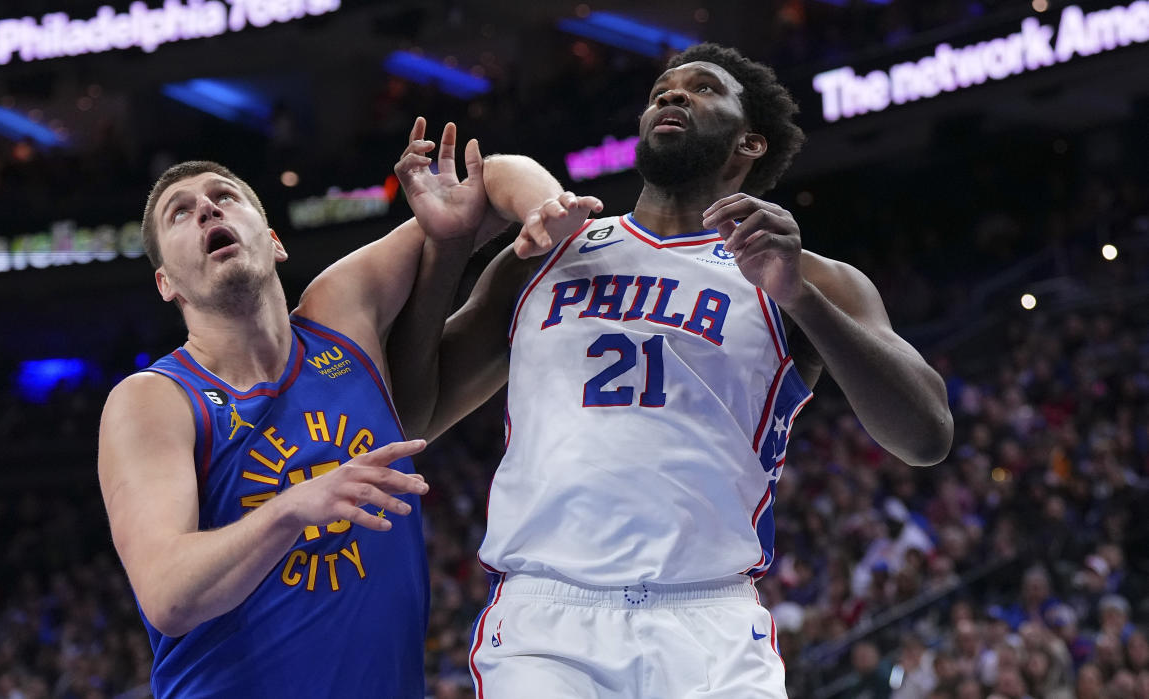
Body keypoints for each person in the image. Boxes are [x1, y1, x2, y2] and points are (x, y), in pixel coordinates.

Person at [400, 43, 954, 697]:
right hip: (549, 626)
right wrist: (445, 249)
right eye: (663, 88)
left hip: (711, 622)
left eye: (702, 89)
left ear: (750, 143)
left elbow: (926, 435)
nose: (672, 95)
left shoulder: (806, 275)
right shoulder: (550, 251)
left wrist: (800, 297)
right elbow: (412, 415)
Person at [97, 119, 494, 697]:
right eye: (179, 213)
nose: (207, 209)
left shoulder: (339, 320)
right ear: (166, 284)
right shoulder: (154, 398)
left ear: (275, 240)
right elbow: (167, 595)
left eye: (223, 197)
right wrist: (291, 509)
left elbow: (493, 182)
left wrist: (544, 216)